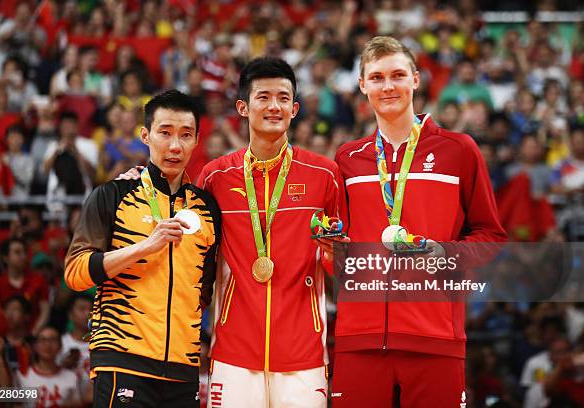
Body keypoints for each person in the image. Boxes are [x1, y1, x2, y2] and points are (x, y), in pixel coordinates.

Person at [331, 36, 507, 407]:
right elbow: (340, 246)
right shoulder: (347, 158)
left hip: (435, 337)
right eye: (377, 77)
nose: (388, 86)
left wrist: (445, 253)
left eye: (397, 75)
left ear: (415, 79)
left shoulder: (458, 150)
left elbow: (491, 234)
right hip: (358, 338)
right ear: (362, 85)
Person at [198, 57, 346, 407]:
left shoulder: (324, 175)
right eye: (263, 97)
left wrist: (334, 255)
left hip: (303, 353)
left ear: (295, 109)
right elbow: (199, 259)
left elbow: (343, 264)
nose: (273, 106)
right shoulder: (215, 178)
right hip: (234, 351)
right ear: (243, 107)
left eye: (283, 98)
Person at [64, 89, 221, 407]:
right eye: (165, 133)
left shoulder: (207, 207)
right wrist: (144, 247)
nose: (175, 145)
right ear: (145, 136)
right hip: (123, 360)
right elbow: (75, 273)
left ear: (196, 140)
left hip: (184, 367)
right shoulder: (112, 194)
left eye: (185, 135)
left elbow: (204, 290)